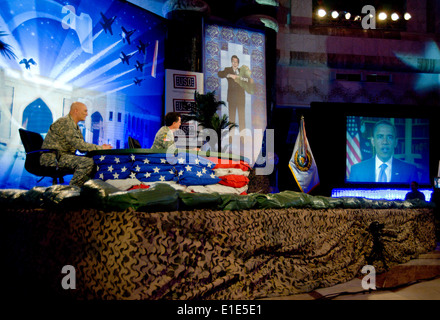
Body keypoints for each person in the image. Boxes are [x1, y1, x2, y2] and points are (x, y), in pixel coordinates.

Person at [40, 102, 112, 187]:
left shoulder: (75, 126)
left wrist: (100, 148)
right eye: (85, 111)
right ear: (76, 111)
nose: (87, 114)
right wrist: (101, 148)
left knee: (94, 160)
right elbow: (80, 145)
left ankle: (86, 189)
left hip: (62, 156)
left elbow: (81, 148)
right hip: (53, 158)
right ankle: (72, 190)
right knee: (87, 162)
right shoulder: (65, 122)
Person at [349, 120, 418, 183]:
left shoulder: (410, 170)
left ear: (395, 142)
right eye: (380, 137)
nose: (385, 142)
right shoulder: (357, 170)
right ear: (373, 141)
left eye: (389, 137)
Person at [217, 55, 254, 132]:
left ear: (238, 63)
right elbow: (220, 74)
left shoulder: (242, 71)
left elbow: (248, 79)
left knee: (242, 118)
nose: (234, 63)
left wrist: (240, 78)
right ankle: (231, 137)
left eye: (236, 62)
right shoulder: (228, 69)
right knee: (232, 118)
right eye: (233, 61)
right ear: (231, 62)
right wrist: (229, 75)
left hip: (241, 98)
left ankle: (242, 137)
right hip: (232, 98)